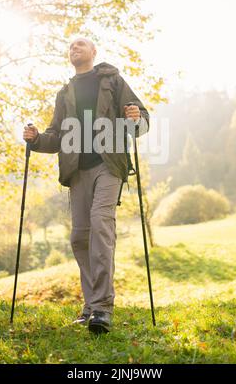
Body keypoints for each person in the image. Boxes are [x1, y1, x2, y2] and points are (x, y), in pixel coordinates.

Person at [23, 37, 149, 334]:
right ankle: (91, 305)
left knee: (100, 224)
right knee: (80, 237)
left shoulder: (112, 81)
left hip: (109, 165)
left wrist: (135, 118)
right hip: (77, 171)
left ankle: (102, 309)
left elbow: (141, 119)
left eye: (81, 45)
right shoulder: (65, 92)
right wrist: (37, 139)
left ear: (94, 52)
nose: (74, 48)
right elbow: (56, 135)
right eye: (70, 47)